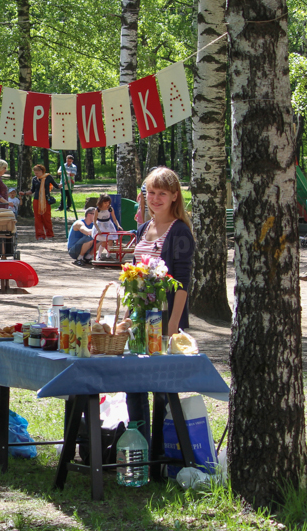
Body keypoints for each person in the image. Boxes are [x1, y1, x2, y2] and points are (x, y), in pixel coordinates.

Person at [127, 167, 195, 447]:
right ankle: (139, 444)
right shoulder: (144, 228)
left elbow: (182, 282)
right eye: (151, 192)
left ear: (174, 196)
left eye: (162, 193)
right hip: (139, 317)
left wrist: (172, 326)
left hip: (165, 318)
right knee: (134, 382)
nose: (155, 198)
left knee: (161, 389)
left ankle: (160, 452)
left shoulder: (179, 231)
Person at [30, 164, 61, 240]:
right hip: (36, 200)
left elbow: (57, 186)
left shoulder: (48, 177)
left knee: (46, 218)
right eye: (35, 173)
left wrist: (65, 182)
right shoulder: (34, 179)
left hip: (46, 200)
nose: (36, 174)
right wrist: (23, 193)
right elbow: (32, 190)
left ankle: (50, 234)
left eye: (37, 172)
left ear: (41, 171)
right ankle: (40, 235)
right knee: (37, 218)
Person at [92, 193, 123, 259]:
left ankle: (108, 255)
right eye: (105, 203)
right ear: (101, 202)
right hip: (100, 225)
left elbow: (114, 219)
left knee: (110, 240)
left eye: (108, 203)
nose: (107, 204)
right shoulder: (97, 209)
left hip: (108, 225)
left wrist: (118, 225)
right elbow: (94, 221)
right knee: (104, 241)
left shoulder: (110, 209)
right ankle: (99, 255)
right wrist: (98, 230)